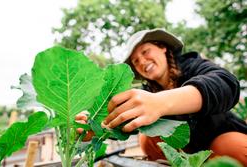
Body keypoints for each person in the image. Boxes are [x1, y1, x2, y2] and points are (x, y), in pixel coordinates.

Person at [76, 28, 247, 165]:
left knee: (228, 146)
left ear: (163, 48)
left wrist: (161, 102)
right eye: (136, 61)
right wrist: (96, 128)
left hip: (223, 142)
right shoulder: (147, 92)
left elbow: (226, 84)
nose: (142, 62)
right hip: (187, 157)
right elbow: (125, 122)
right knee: (148, 139)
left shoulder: (192, 66)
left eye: (145, 51)